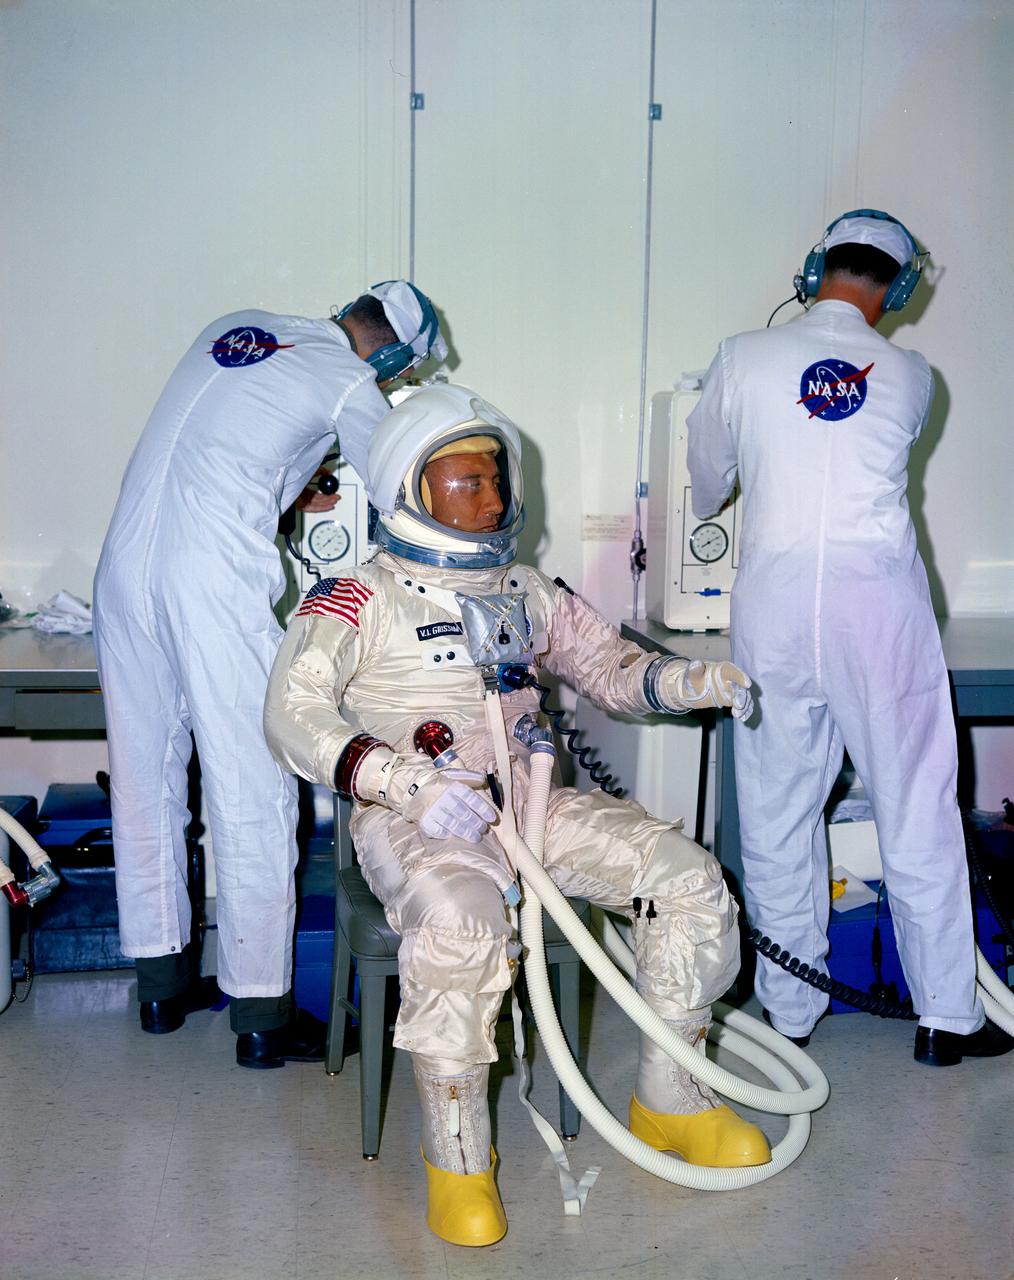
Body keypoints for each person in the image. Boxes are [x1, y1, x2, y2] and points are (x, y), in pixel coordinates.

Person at [264, 383, 768, 1248]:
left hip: (531, 808)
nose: (491, 500)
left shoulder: (527, 589)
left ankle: (672, 1104)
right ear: (411, 492)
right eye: (467, 483)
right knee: (461, 925)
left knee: (687, 879)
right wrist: (404, 781)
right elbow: (292, 716)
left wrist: (683, 682)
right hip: (412, 819)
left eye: (496, 480)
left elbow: (608, 665)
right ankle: (458, 1164)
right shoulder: (357, 599)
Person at [686, 210, 1014, 1067]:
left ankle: (791, 1008)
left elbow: (707, 478)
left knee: (777, 803)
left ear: (812, 267)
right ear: (901, 288)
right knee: (916, 805)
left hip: (778, 606)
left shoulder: (740, 356)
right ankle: (948, 1016)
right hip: (880, 606)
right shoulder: (912, 374)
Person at [93, 280, 448, 1068]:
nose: (387, 385)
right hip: (210, 584)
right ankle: (260, 1013)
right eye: (395, 375)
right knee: (253, 786)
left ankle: (161, 984)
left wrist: (295, 482)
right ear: (390, 353)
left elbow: (219, 453)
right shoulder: (354, 381)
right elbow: (405, 492)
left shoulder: (237, 324)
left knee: (144, 778)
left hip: (122, 570)